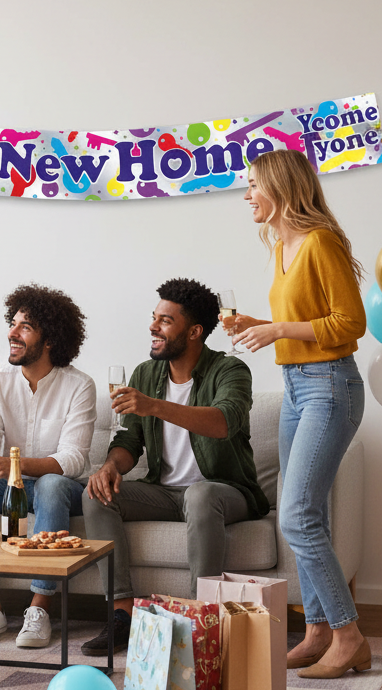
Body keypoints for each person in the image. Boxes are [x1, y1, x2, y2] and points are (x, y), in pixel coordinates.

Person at [229, 149, 368, 678]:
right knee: (306, 515)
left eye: (251, 187)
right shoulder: (282, 246)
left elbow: (349, 323)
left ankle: (348, 633)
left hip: (330, 387)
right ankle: (317, 632)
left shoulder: (320, 241)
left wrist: (279, 330)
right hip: (296, 387)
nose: (246, 197)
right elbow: (307, 318)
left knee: (297, 515)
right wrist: (259, 322)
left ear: (280, 188)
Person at [82, 278, 268, 655]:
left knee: (200, 495)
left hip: (226, 491)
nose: (153, 327)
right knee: (96, 494)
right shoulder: (145, 374)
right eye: (154, 318)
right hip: (164, 492)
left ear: (195, 331)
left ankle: (200, 620)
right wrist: (111, 467)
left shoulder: (230, 370)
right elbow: (128, 441)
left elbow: (223, 422)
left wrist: (154, 406)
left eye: (165, 321)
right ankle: (121, 615)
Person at [0, 284, 95, 648]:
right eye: (12, 323)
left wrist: (17, 463)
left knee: (52, 485)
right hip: (9, 490)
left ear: (50, 339)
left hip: (58, 491)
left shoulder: (79, 385)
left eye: (24, 327)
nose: (11, 333)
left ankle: (39, 607)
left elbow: (72, 460)